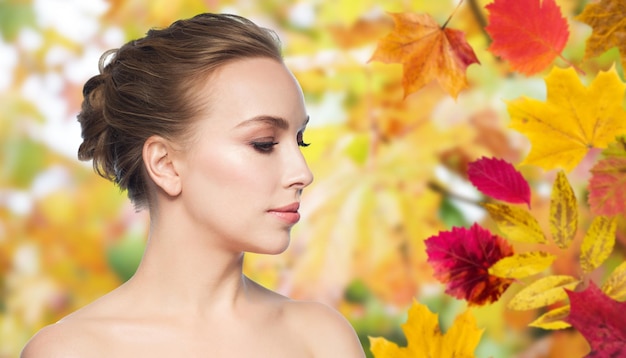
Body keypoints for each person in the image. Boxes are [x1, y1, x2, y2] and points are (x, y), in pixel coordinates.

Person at [21, 13, 365, 357]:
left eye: (299, 139)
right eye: (264, 143)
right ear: (165, 164)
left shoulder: (322, 339)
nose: (302, 173)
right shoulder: (73, 350)